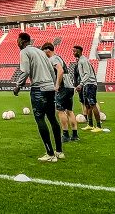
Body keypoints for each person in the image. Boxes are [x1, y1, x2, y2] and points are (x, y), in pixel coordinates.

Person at [14, 33, 62, 162]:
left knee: (40, 118)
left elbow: (25, 71)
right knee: (52, 118)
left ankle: (50, 153)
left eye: (18, 40)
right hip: (49, 87)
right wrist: (52, 85)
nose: (17, 42)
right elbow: (52, 71)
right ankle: (59, 151)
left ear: (23, 41)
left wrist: (18, 86)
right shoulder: (40, 52)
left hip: (38, 89)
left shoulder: (24, 51)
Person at [44, 43, 78, 143]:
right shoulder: (59, 57)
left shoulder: (53, 59)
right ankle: (75, 135)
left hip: (63, 87)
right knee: (69, 111)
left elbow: (60, 70)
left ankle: (66, 135)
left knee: (60, 110)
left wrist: (57, 85)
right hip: (69, 86)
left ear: (47, 50)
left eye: (43, 51)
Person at [73, 45, 106, 132]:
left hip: (90, 84)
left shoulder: (83, 60)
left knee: (92, 104)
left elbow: (87, 73)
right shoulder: (80, 60)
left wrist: (81, 84)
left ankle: (98, 126)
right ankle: (90, 125)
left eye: (74, 51)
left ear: (79, 51)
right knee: (87, 105)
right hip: (86, 84)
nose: (73, 53)